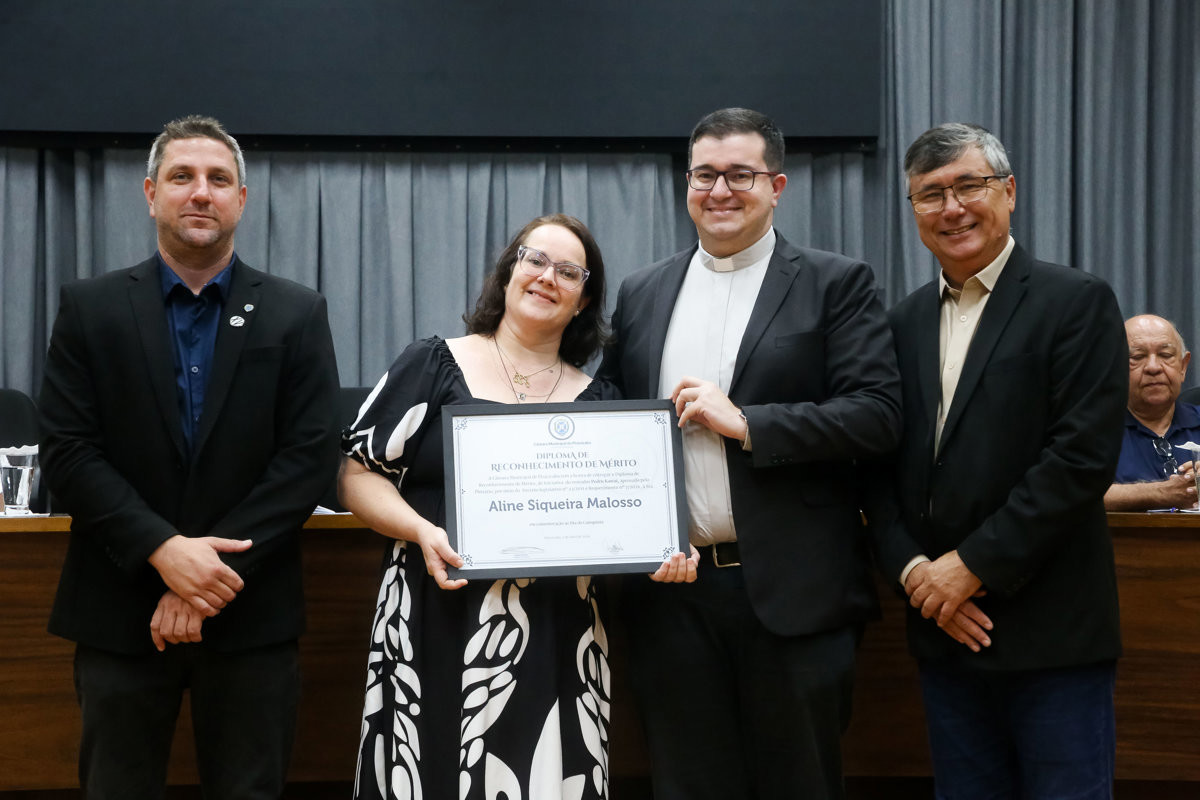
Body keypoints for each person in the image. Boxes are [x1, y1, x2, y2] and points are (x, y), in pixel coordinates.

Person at [594, 108, 902, 799]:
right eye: (704, 175)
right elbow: (613, 415)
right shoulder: (643, 291)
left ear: (777, 186)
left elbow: (877, 416)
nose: (720, 191)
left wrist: (748, 423)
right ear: (687, 184)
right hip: (671, 598)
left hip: (795, 597)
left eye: (740, 175)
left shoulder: (835, 282)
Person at [38, 115, 340, 798]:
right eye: (182, 177)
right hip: (119, 611)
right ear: (151, 194)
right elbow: (69, 451)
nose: (201, 192)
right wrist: (163, 551)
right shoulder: (89, 308)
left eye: (218, 179)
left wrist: (204, 579)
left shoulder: (296, 313)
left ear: (242, 199)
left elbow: (308, 458)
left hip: (250, 613)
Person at [340, 213, 669, 800]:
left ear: (584, 300)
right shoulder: (431, 363)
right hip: (433, 615)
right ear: (509, 271)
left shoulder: (602, 404)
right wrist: (420, 529)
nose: (547, 277)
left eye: (568, 271)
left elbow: (632, 516)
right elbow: (356, 474)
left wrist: (661, 544)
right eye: (534, 259)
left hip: (557, 629)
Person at [869, 122, 1127, 799]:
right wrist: (918, 575)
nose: (952, 208)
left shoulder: (1075, 301)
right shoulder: (900, 325)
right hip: (944, 631)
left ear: (1008, 192)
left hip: (1053, 635)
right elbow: (877, 471)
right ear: (914, 210)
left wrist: (970, 567)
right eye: (931, 194)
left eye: (969, 186)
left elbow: (1080, 460)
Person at [1104, 314, 1199, 510]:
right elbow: (1068, 493)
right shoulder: (1091, 429)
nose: (1153, 368)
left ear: (1183, 366)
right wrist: (1160, 493)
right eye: (1137, 357)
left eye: (1165, 355)